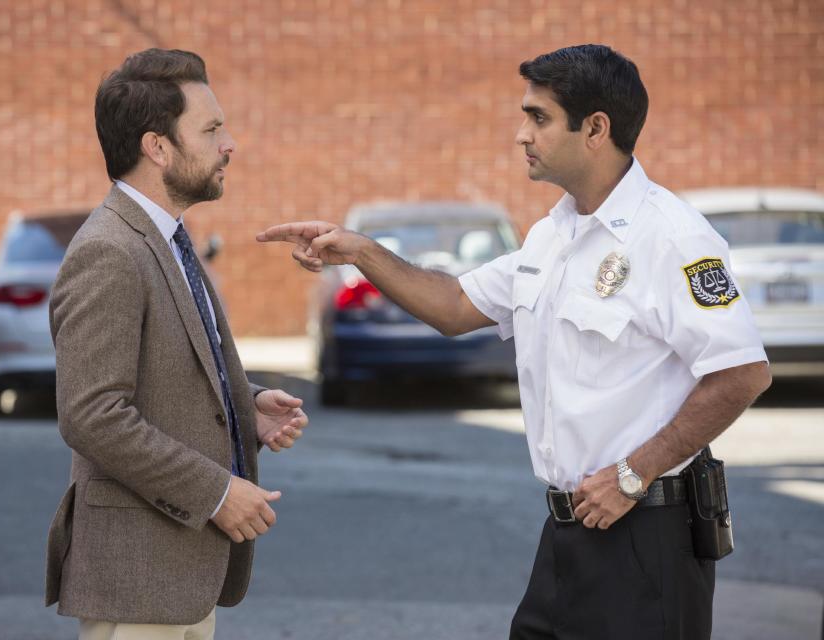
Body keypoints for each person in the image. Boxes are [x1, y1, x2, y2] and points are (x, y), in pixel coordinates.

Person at [258, 44, 770, 639]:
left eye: (539, 117)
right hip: (565, 537)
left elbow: (742, 372)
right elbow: (453, 305)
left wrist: (634, 473)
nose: (520, 134)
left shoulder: (674, 237)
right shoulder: (552, 236)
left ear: (596, 129)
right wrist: (362, 251)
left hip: (645, 536)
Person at [45, 48, 309, 640]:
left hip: (181, 580)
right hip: (136, 581)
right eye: (212, 129)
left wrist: (248, 403)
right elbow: (92, 415)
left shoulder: (165, 239)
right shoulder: (109, 251)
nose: (230, 144)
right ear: (157, 147)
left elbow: (169, 366)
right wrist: (217, 493)